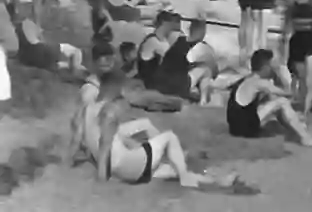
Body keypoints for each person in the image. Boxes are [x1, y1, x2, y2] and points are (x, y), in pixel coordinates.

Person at [74, 74, 236, 189]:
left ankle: (215, 180)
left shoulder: (89, 108)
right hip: (126, 166)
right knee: (169, 137)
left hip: (123, 169)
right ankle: (185, 176)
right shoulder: (109, 112)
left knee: (171, 169)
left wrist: (76, 157)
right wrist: (101, 181)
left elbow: (85, 137)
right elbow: (104, 146)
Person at [225, 49, 312, 147]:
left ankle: (294, 127)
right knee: (281, 102)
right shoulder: (261, 83)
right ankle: (305, 137)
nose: (273, 69)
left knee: (272, 101)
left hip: (235, 127)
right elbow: (288, 94)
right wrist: (280, 75)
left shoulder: (247, 79)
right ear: (265, 67)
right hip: (244, 129)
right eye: (272, 66)